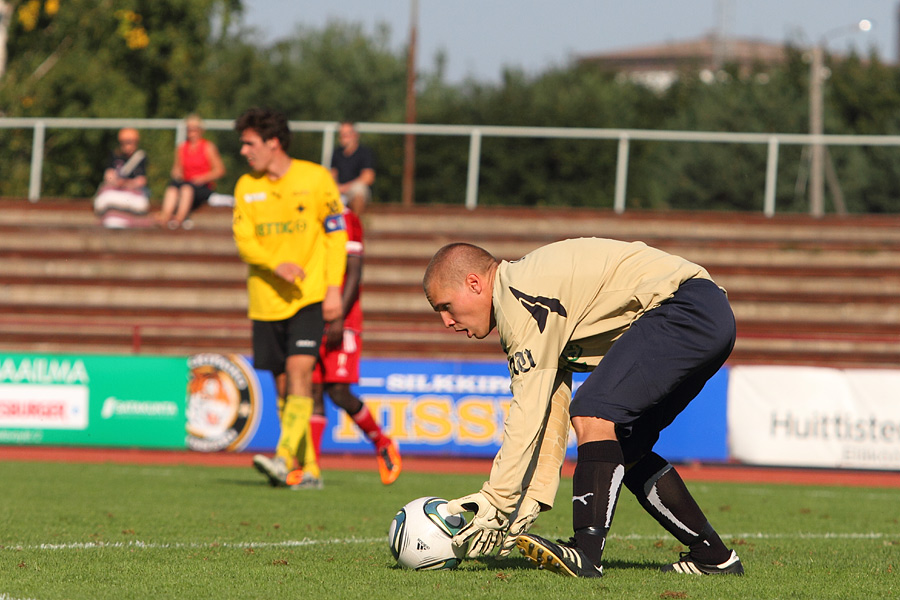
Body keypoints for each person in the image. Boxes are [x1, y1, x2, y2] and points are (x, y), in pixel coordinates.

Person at [422, 238, 744, 578]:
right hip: (707, 314)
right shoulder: (522, 294)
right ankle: (713, 556)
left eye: (445, 306)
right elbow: (549, 406)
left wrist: (498, 501)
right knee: (624, 447)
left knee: (593, 411)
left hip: (686, 310)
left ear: (474, 283)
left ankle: (586, 554)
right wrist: (531, 500)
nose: (446, 321)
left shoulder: (518, 297)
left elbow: (527, 412)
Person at [232, 107, 348, 490]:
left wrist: (333, 289)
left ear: (273, 142)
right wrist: (274, 264)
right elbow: (244, 240)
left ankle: (283, 459)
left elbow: (336, 235)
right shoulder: (246, 186)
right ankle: (308, 469)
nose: (244, 151)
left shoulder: (315, 179)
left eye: (249, 143)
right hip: (265, 300)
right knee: (284, 386)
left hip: (308, 297)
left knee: (300, 372)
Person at [309, 204, 402, 486]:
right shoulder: (305, 212)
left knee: (337, 391)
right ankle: (309, 468)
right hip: (309, 314)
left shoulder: (344, 216)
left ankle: (382, 442)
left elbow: (354, 270)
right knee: (311, 388)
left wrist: (338, 317)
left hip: (342, 317)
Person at [156, 114, 226, 229]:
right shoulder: (181, 148)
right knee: (172, 188)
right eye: (188, 129)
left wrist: (202, 178)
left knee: (186, 189)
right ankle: (165, 217)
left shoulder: (208, 147)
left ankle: (178, 220)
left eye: (194, 129)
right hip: (187, 182)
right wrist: (177, 174)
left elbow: (220, 170)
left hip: (202, 186)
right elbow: (176, 169)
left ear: (200, 130)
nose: (191, 132)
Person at [93, 127, 151, 227]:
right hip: (115, 191)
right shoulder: (114, 155)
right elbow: (108, 176)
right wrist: (116, 182)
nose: (127, 146)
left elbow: (142, 180)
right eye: (124, 142)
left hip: (132, 193)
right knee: (105, 200)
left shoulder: (140, 157)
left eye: (129, 142)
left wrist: (127, 183)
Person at [329, 121, 375, 215]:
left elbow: (368, 178)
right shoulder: (337, 153)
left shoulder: (364, 153)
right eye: (342, 134)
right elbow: (332, 173)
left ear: (355, 135)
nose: (344, 137)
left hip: (353, 189)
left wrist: (345, 188)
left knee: (359, 190)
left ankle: (355, 223)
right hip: (339, 189)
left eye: (347, 134)